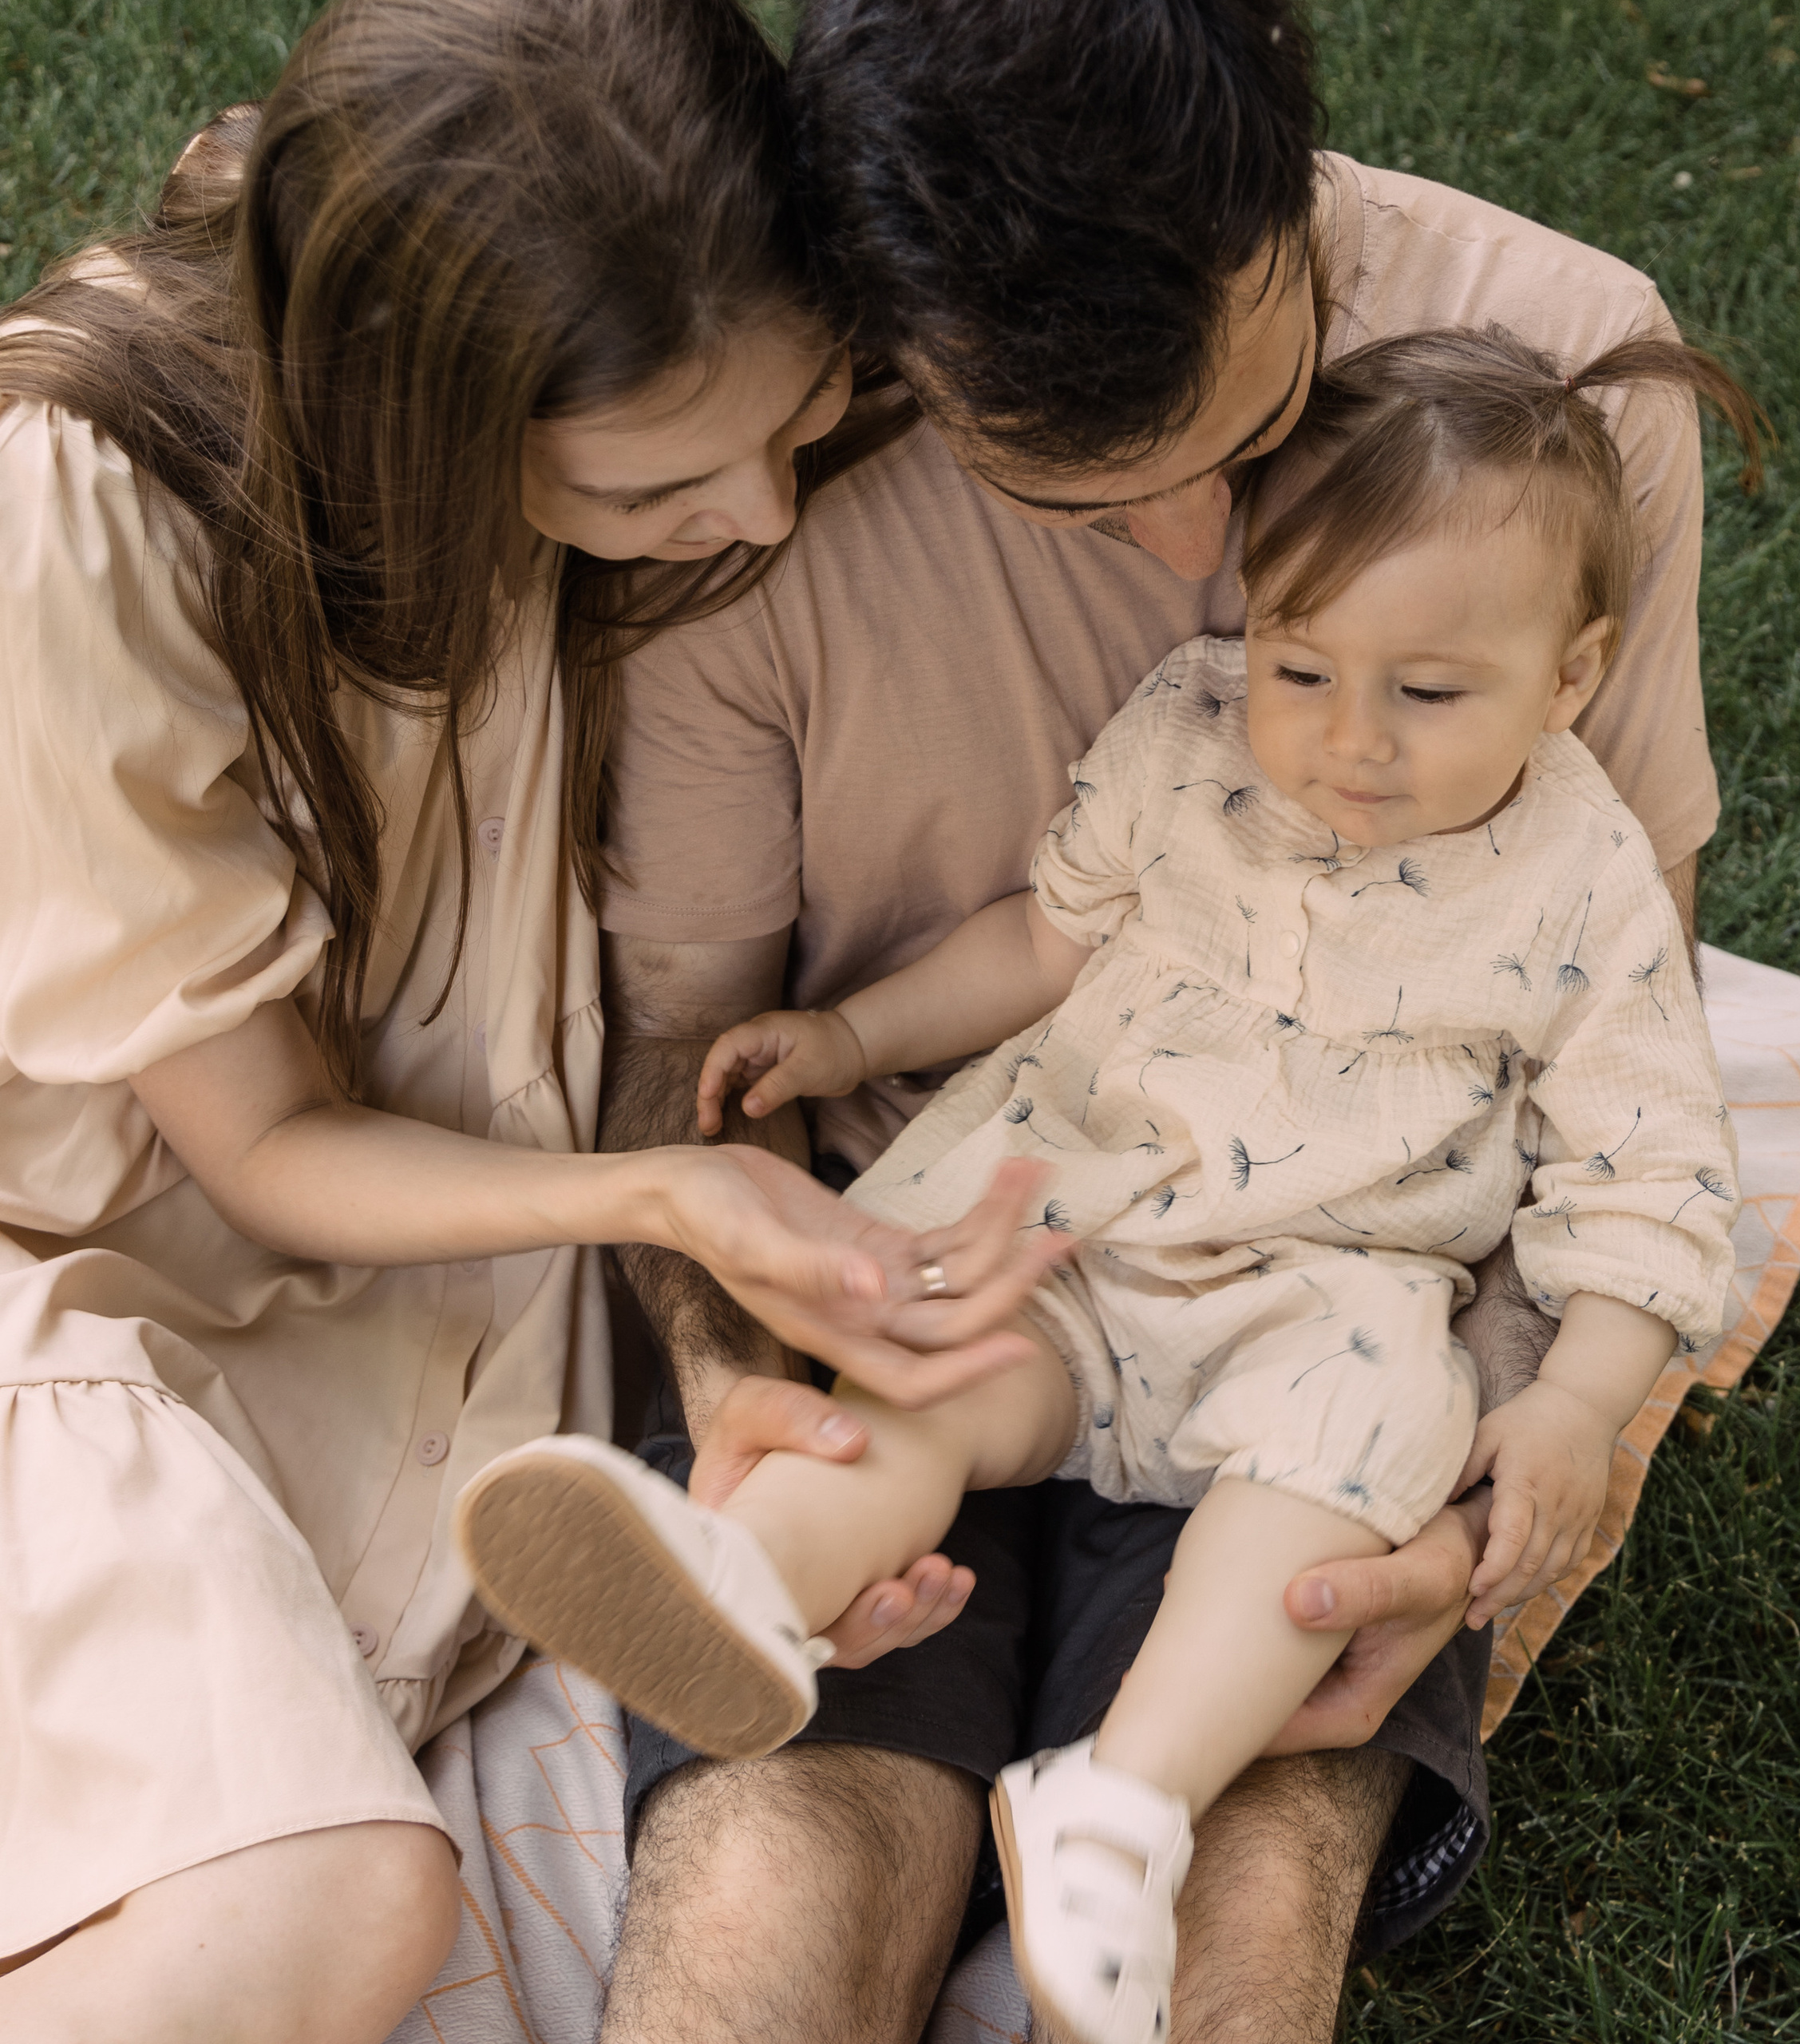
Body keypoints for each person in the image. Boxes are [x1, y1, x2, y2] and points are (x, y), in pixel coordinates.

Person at [575, 4, 1743, 2038]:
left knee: (1220, 1929)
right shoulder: (739, 488)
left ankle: (1108, 1804)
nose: (1214, 576)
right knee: (772, 1905)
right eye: (1076, 492)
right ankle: (734, 1577)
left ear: (1289, 211)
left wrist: (1478, 1447)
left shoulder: (1555, 377)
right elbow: (708, 1040)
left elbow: (1617, 1063)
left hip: (1349, 1313)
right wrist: (751, 1361)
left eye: (1249, 431)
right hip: (980, 1235)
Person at [0, 3, 1058, 2036]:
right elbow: (268, 1159)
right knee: (334, 1909)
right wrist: (669, 1198)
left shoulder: (601, 377)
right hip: (98, 1296)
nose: (760, 516)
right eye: (666, 476)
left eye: (791, 422)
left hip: (413, 1343)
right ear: (427, 413)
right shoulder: (99, 498)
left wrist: (725, 1383)